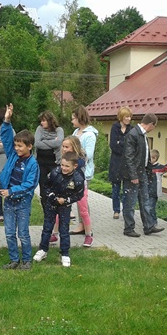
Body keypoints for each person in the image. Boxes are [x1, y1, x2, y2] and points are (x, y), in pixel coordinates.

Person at [0, 103, 39, 270]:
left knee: (23, 234)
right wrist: (7, 121)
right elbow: (6, 139)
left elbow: (30, 185)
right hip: (9, 202)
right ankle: (14, 260)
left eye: (20, 146)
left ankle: (27, 260)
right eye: (15, 145)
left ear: (29, 146)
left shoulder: (33, 164)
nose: (16, 148)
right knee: (9, 233)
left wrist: (11, 191)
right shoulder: (13, 155)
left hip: (22, 203)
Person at [33, 151, 85, 268]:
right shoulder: (55, 172)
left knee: (64, 230)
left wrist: (66, 200)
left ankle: (65, 253)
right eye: (62, 165)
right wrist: (52, 196)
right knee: (47, 227)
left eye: (67, 166)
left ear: (74, 166)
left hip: (65, 207)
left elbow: (79, 195)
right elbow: (45, 185)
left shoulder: (78, 178)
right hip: (51, 204)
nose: (64, 168)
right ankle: (43, 250)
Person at [121, 113, 164, 237]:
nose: (154, 129)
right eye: (154, 126)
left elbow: (145, 156)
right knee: (130, 202)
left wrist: (148, 171)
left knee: (145, 201)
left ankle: (149, 226)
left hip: (142, 172)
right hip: (133, 174)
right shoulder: (133, 134)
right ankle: (129, 228)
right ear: (151, 124)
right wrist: (133, 175)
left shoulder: (142, 135)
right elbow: (128, 157)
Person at [70, 105, 97, 247]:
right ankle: (82, 224)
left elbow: (89, 154)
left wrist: (74, 153)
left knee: (83, 200)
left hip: (84, 172)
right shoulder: (76, 132)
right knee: (78, 199)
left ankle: (86, 226)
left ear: (80, 118)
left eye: (73, 118)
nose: (72, 121)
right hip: (74, 170)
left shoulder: (90, 134)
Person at [34, 110, 64, 209]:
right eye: (41, 121)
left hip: (54, 163)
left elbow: (59, 143)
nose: (41, 123)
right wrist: (52, 142)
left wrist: (44, 141)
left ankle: (55, 208)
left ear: (50, 120)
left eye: (44, 120)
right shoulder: (39, 129)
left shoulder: (59, 130)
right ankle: (45, 209)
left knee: (55, 186)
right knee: (43, 187)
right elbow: (37, 143)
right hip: (41, 164)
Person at [108, 106, 133, 219]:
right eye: (126, 117)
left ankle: (126, 210)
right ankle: (116, 210)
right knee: (116, 189)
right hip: (116, 163)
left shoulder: (131, 129)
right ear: (121, 117)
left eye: (130, 117)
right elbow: (113, 145)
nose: (128, 119)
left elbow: (131, 146)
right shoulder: (115, 128)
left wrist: (120, 142)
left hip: (127, 163)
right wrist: (123, 144)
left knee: (126, 189)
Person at [147, 148, 167, 225]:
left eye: (150, 158)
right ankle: (148, 221)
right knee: (146, 207)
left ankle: (153, 221)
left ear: (154, 158)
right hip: (146, 191)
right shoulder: (146, 166)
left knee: (151, 207)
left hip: (154, 192)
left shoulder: (159, 168)